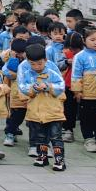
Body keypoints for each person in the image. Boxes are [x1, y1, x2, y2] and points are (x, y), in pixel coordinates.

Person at [19, 43, 67, 171]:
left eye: (39, 63)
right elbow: (22, 87)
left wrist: (48, 86)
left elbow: (61, 85)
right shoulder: (27, 72)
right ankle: (42, 156)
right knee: (40, 136)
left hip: (53, 110)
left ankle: (59, 159)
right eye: (32, 64)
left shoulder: (52, 70)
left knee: (55, 136)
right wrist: (34, 88)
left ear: (45, 60)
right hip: (36, 110)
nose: (36, 67)